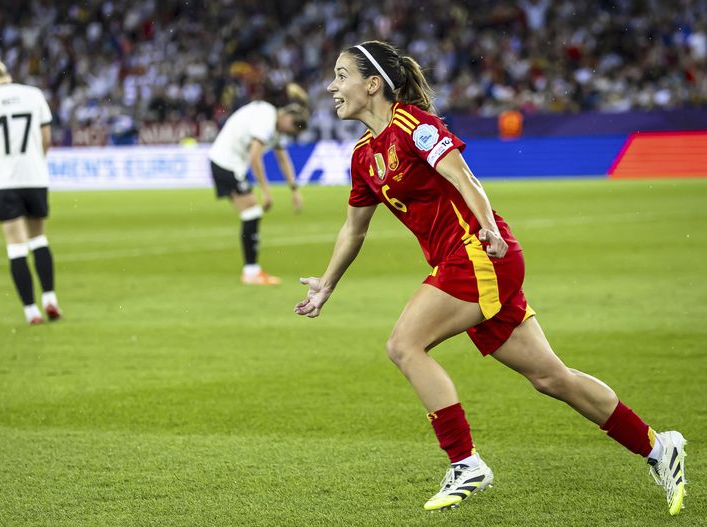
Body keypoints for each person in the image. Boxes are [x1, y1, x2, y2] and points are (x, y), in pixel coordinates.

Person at [294, 41, 687, 515]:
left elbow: (465, 179)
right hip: (464, 263)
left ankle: (465, 464)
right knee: (550, 376)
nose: (331, 86)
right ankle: (659, 447)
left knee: (404, 345)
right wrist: (328, 283)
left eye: (341, 75)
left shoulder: (413, 126)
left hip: (479, 254)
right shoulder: (363, 156)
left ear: (372, 84)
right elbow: (354, 228)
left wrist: (484, 227)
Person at [0, 53, 61, 325]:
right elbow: (46, 140)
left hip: (3, 181)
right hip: (34, 177)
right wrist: (34, 165)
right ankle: (50, 298)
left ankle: (31, 311)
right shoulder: (34, 94)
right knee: (39, 240)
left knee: (16, 248)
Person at [208, 83, 310, 285]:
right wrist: (266, 192)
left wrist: (294, 190)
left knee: (251, 214)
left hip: (227, 163)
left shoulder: (274, 122)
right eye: (290, 130)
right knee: (252, 213)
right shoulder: (266, 119)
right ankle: (251, 272)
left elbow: (283, 159)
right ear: (287, 118)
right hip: (226, 163)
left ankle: (251, 271)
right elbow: (255, 158)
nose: (287, 135)